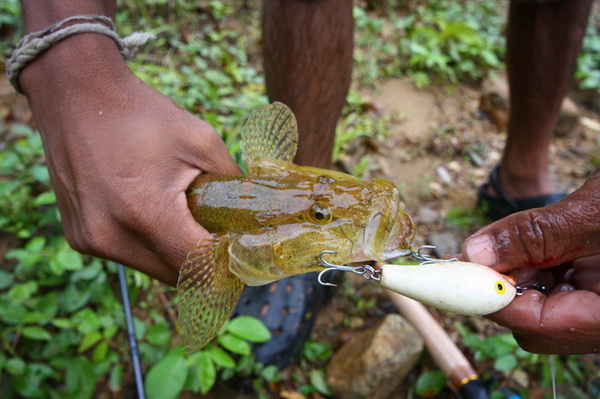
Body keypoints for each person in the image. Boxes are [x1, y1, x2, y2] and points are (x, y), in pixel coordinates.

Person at [11, 0, 596, 365]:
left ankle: (523, 171)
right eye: (322, 213)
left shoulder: (284, 165)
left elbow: (274, 124)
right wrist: (69, 59)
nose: (380, 200)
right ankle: (296, 276)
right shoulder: (220, 258)